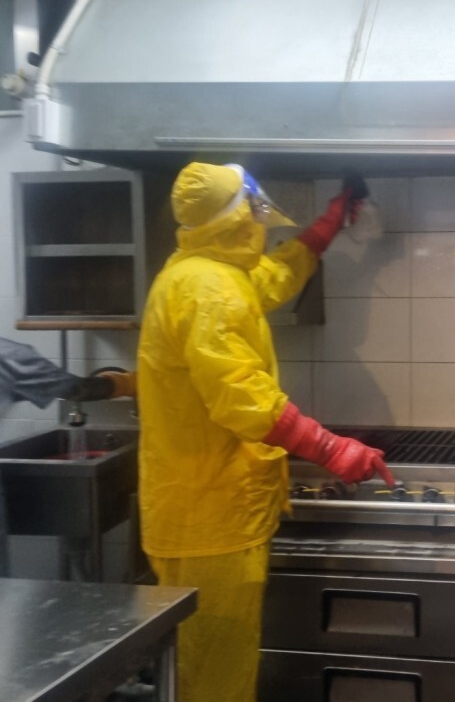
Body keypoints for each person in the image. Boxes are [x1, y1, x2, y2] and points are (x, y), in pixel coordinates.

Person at [136, 162, 393, 702]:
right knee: (215, 679)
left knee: (214, 663)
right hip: (209, 520)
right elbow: (241, 396)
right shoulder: (206, 289)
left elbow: (276, 276)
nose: (261, 217)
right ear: (235, 219)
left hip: (209, 511)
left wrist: (328, 225)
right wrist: (329, 448)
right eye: (253, 209)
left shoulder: (209, 271)